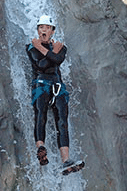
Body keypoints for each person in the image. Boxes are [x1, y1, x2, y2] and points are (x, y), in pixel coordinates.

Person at [26, 15, 84, 175]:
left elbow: (58, 60)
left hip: (58, 86)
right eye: (40, 27)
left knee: (62, 122)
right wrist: (53, 53)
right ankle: (41, 148)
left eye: (47, 27)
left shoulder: (60, 47)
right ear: (37, 30)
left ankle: (66, 160)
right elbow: (42, 65)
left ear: (52, 31)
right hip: (41, 84)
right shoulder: (30, 47)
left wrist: (48, 50)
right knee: (40, 115)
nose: (43, 30)